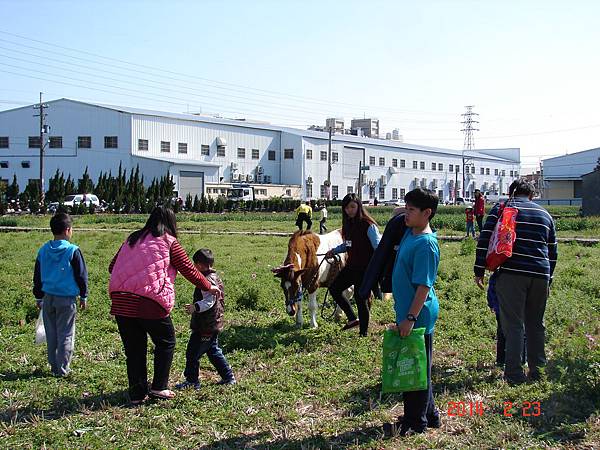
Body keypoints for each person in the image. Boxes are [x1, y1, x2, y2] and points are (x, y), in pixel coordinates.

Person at [109, 206, 220, 404]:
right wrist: (209, 286)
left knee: (134, 349)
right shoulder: (169, 242)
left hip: (121, 300)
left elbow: (112, 266)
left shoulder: (132, 238)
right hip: (149, 301)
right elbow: (189, 270)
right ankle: (159, 387)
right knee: (166, 341)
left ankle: (137, 394)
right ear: (171, 223)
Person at [474, 179, 558, 384]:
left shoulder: (503, 208)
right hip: (541, 273)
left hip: (512, 273)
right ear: (531, 195)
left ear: (511, 193)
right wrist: (549, 278)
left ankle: (514, 373)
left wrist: (479, 269)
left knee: (513, 325)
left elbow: (485, 237)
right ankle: (538, 372)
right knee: (536, 324)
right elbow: (553, 251)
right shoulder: (545, 214)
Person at [387, 187, 441, 436]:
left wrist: (410, 318)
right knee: (420, 364)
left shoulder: (426, 245)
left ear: (427, 213)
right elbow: (400, 212)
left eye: (411, 210)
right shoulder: (412, 230)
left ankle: (415, 422)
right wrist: (406, 208)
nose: (405, 214)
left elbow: (423, 286)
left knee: (414, 367)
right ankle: (429, 415)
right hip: (409, 312)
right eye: (405, 208)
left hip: (418, 314)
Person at [33, 212, 88, 377]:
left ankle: (53, 366)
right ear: (68, 230)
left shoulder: (43, 250)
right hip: (67, 299)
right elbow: (81, 276)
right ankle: (63, 369)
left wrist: (38, 296)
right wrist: (84, 296)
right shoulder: (73, 250)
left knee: (51, 333)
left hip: (48, 298)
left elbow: (37, 275)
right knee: (66, 333)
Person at [176, 248, 235, 390]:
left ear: (200, 265)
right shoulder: (216, 277)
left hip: (205, 326)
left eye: (194, 265)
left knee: (192, 353)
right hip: (214, 322)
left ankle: (192, 381)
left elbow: (209, 301)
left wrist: (195, 307)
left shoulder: (207, 280)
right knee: (213, 350)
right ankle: (228, 377)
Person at [325, 193, 381, 335]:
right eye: (346, 207)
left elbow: (378, 247)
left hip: (366, 269)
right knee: (334, 289)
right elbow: (348, 244)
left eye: (352, 206)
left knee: (360, 298)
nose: (349, 210)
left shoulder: (369, 225)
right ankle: (352, 318)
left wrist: (377, 270)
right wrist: (334, 251)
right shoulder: (348, 225)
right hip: (351, 267)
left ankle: (363, 333)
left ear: (359, 206)